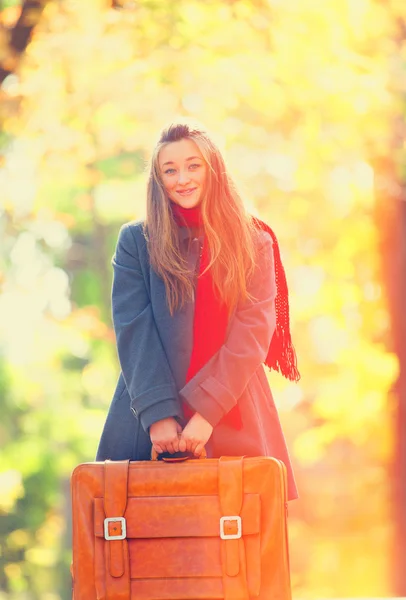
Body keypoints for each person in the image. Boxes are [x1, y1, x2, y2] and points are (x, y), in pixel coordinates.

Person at [96, 118, 300, 501]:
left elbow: (253, 331)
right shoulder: (136, 242)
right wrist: (159, 420)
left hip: (233, 411)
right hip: (149, 416)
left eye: (193, 165)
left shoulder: (253, 241)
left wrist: (204, 418)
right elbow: (133, 330)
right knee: (141, 539)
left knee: (244, 539)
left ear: (213, 169)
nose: (182, 178)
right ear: (158, 180)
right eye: (169, 170)